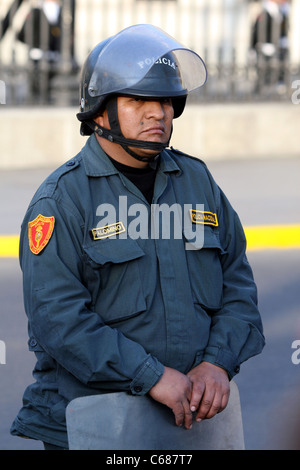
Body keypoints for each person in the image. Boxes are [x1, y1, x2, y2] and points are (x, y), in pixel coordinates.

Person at [11, 24, 265, 450]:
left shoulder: (198, 182)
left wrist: (217, 364)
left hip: (192, 424)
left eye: (165, 100)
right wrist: (150, 376)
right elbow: (58, 319)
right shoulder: (61, 200)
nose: (158, 113)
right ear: (99, 113)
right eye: (138, 100)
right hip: (95, 426)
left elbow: (237, 284)